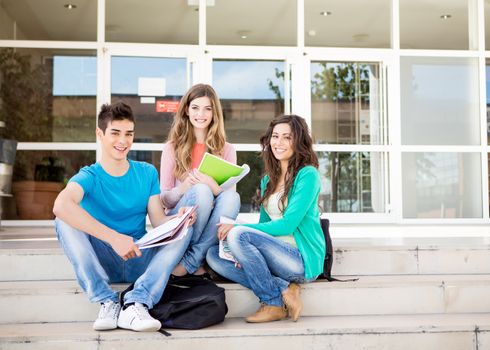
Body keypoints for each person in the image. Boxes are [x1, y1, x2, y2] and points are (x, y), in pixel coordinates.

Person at [53, 101, 196, 332]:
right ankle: (107, 300)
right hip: (104, 259)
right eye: (115, 133)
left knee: (185, 227)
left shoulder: (147, 172)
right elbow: (60, 205)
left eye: (129, 134)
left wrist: (178, 219)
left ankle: (135, 302)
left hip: (140, 255)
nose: (123, 141)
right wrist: (114, 238)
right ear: (100, 134)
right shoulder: (89, 175)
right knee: (63, 220)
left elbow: (159, 222)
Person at [206, 114, 325, 323]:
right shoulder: (268, 180)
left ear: (298, 141)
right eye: (275, 136)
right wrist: (240, 249)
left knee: (238, 234)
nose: (278, 143)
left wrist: (238, 228)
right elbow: (263, 226)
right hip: (274, 257)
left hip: (299, 260)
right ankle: (285, 288)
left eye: (287, 137)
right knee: (213, 256)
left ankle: (272, 302)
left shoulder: (308, 175)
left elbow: (288, 224)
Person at [160, 83, 240, 278]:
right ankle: (193, 259)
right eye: (195, 107)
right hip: (181, 214)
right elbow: (164, 201)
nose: (201, 114)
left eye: (207, 108)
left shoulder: (227, 149)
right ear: (186, 110)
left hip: (211, 218)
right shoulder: (171, 148)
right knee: (201, 191)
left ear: (214, 113)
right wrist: (186, 187)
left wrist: (213, 186)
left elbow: (229, 202)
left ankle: (191, 260)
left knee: (233, 197)